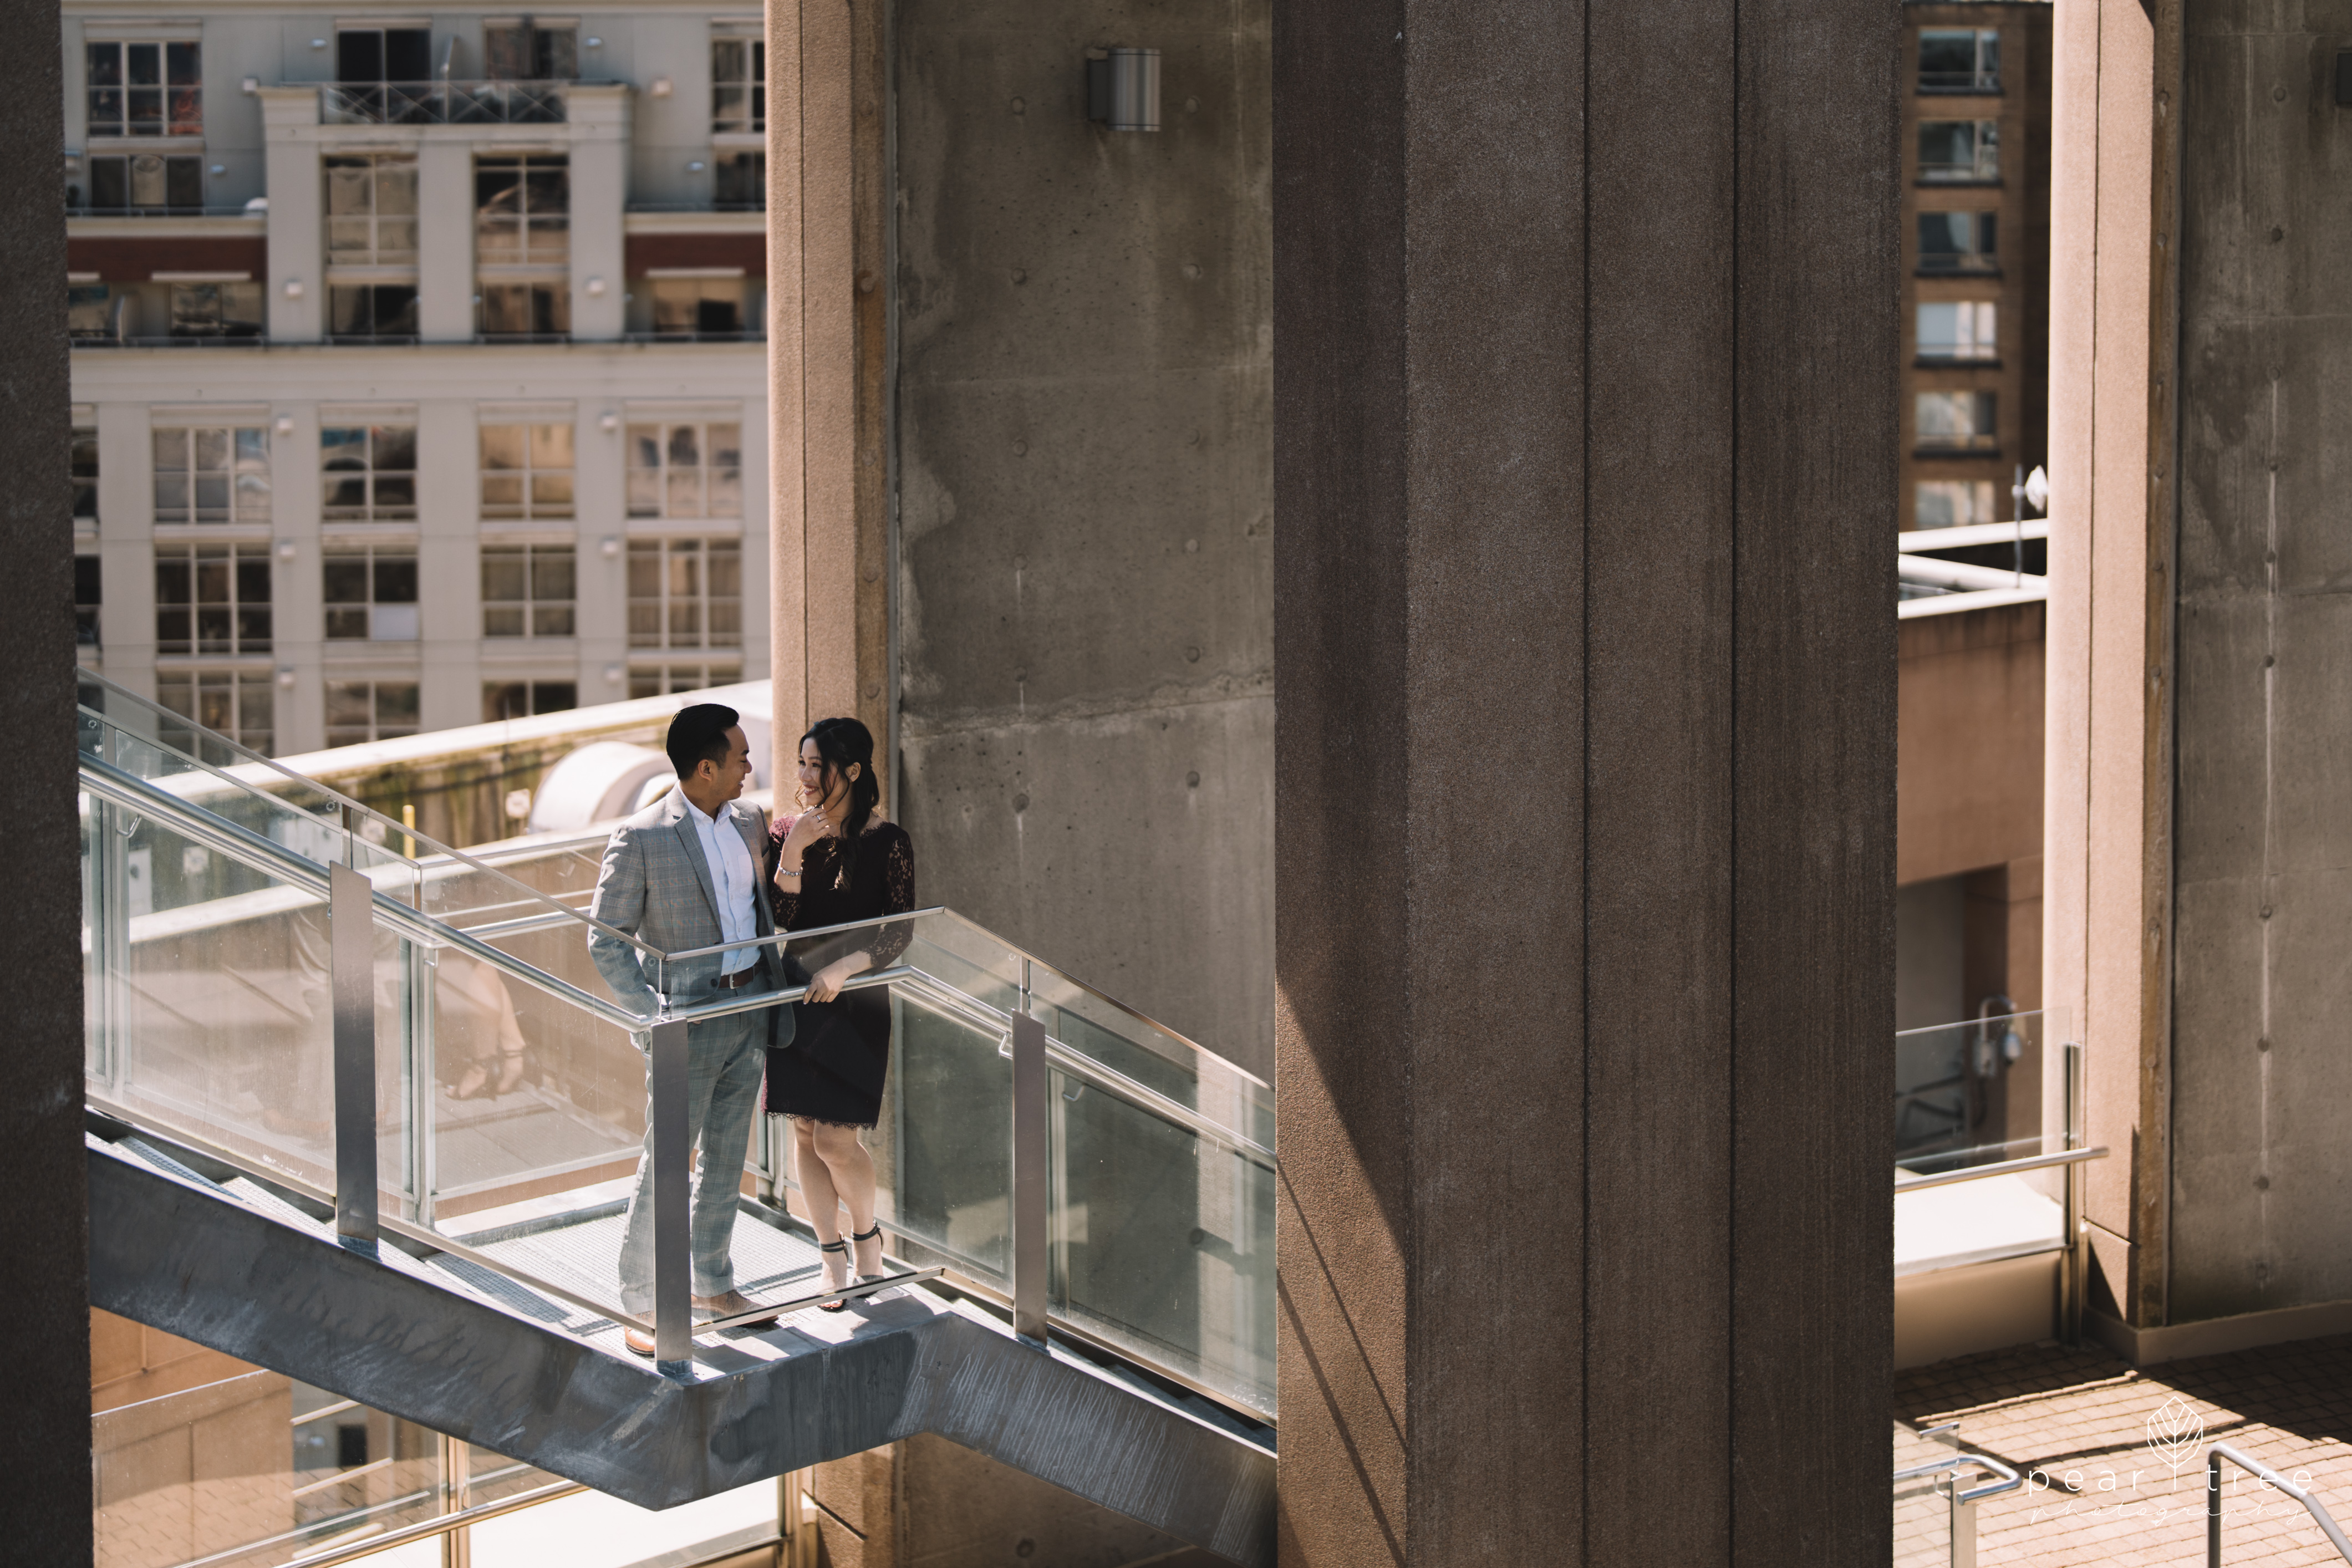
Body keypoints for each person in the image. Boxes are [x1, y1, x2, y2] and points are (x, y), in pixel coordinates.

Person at [587, 703, 782, 1356]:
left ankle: (712, 1282)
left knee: (728, 1157)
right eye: (740, 758)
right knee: (668, 1162)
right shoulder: (641, 837)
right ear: (706, 767)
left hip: (748, 1007)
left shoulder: (751, 820)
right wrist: (651, 1015)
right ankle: (641, 1300)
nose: (749, 767)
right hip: (685, 1021)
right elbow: (605, 941)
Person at [766, 717, 915, 1306]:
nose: (804, 776)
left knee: (835, 1140)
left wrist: (847, 965)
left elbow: (900, 928)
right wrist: (795, 848)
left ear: (851, 770)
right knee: (804, 1133)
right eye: (800, 763)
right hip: (797, 989)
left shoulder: (889, 841)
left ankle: (867, 1239)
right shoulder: (785, 830)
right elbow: (782, 915)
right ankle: (830, 1254)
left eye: (815, 765)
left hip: (855, 999)